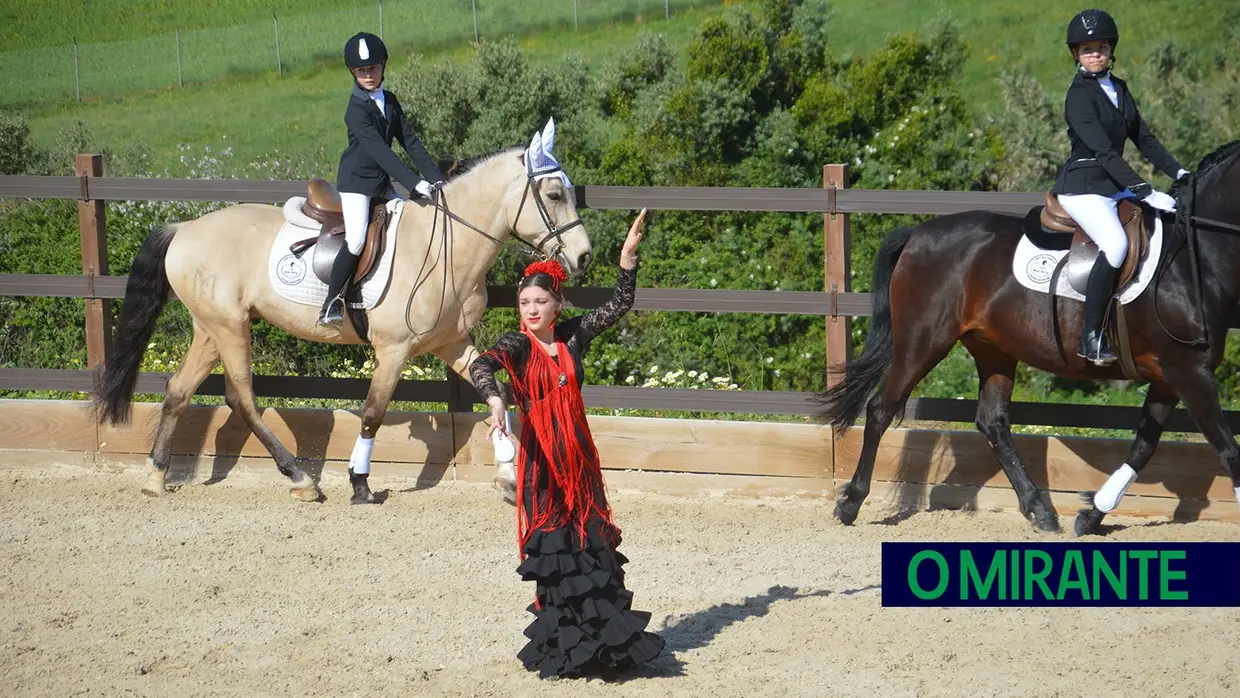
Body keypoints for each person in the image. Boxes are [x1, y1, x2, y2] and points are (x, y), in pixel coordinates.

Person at [468, 209, 665, 679]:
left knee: (593, 550)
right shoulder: (516, 345)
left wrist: (627, 260)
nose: (531, 310)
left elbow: (618, 305)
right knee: (558, 556)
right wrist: (495, 400)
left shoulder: (573, 337)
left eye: (539, 301)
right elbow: (482, 366)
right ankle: (566, 650)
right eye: (524, 302)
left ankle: (608, 647)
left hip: (580, 461)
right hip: (543, 466)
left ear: (557, 304)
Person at [1049, 9, 1190, 365]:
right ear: (1076, 55)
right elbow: (1103, 151)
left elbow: (1144, 139)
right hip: (1083, 187)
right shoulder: (1078, 96)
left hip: (1113, 186)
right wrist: (1144, 190)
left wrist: (1181, 172)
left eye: (1100, 47)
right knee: (1115, 244)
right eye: (1086, 49)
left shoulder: (1120, 89)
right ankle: (1091, 336)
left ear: (1111, 49)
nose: (1095, 54)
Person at [320, 31, 446, 327]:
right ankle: (331, 302)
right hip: (357, 183)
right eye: (362, 70)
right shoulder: (355, 110)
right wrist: (415, 184)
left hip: (380, 183)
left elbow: (410, 141)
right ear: (353, 72)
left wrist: (437, 179)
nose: (368, 75)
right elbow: (380, 152)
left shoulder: (389, 100)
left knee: (405, 227)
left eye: (373, 68)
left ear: (383, 67)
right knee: (356, 240)